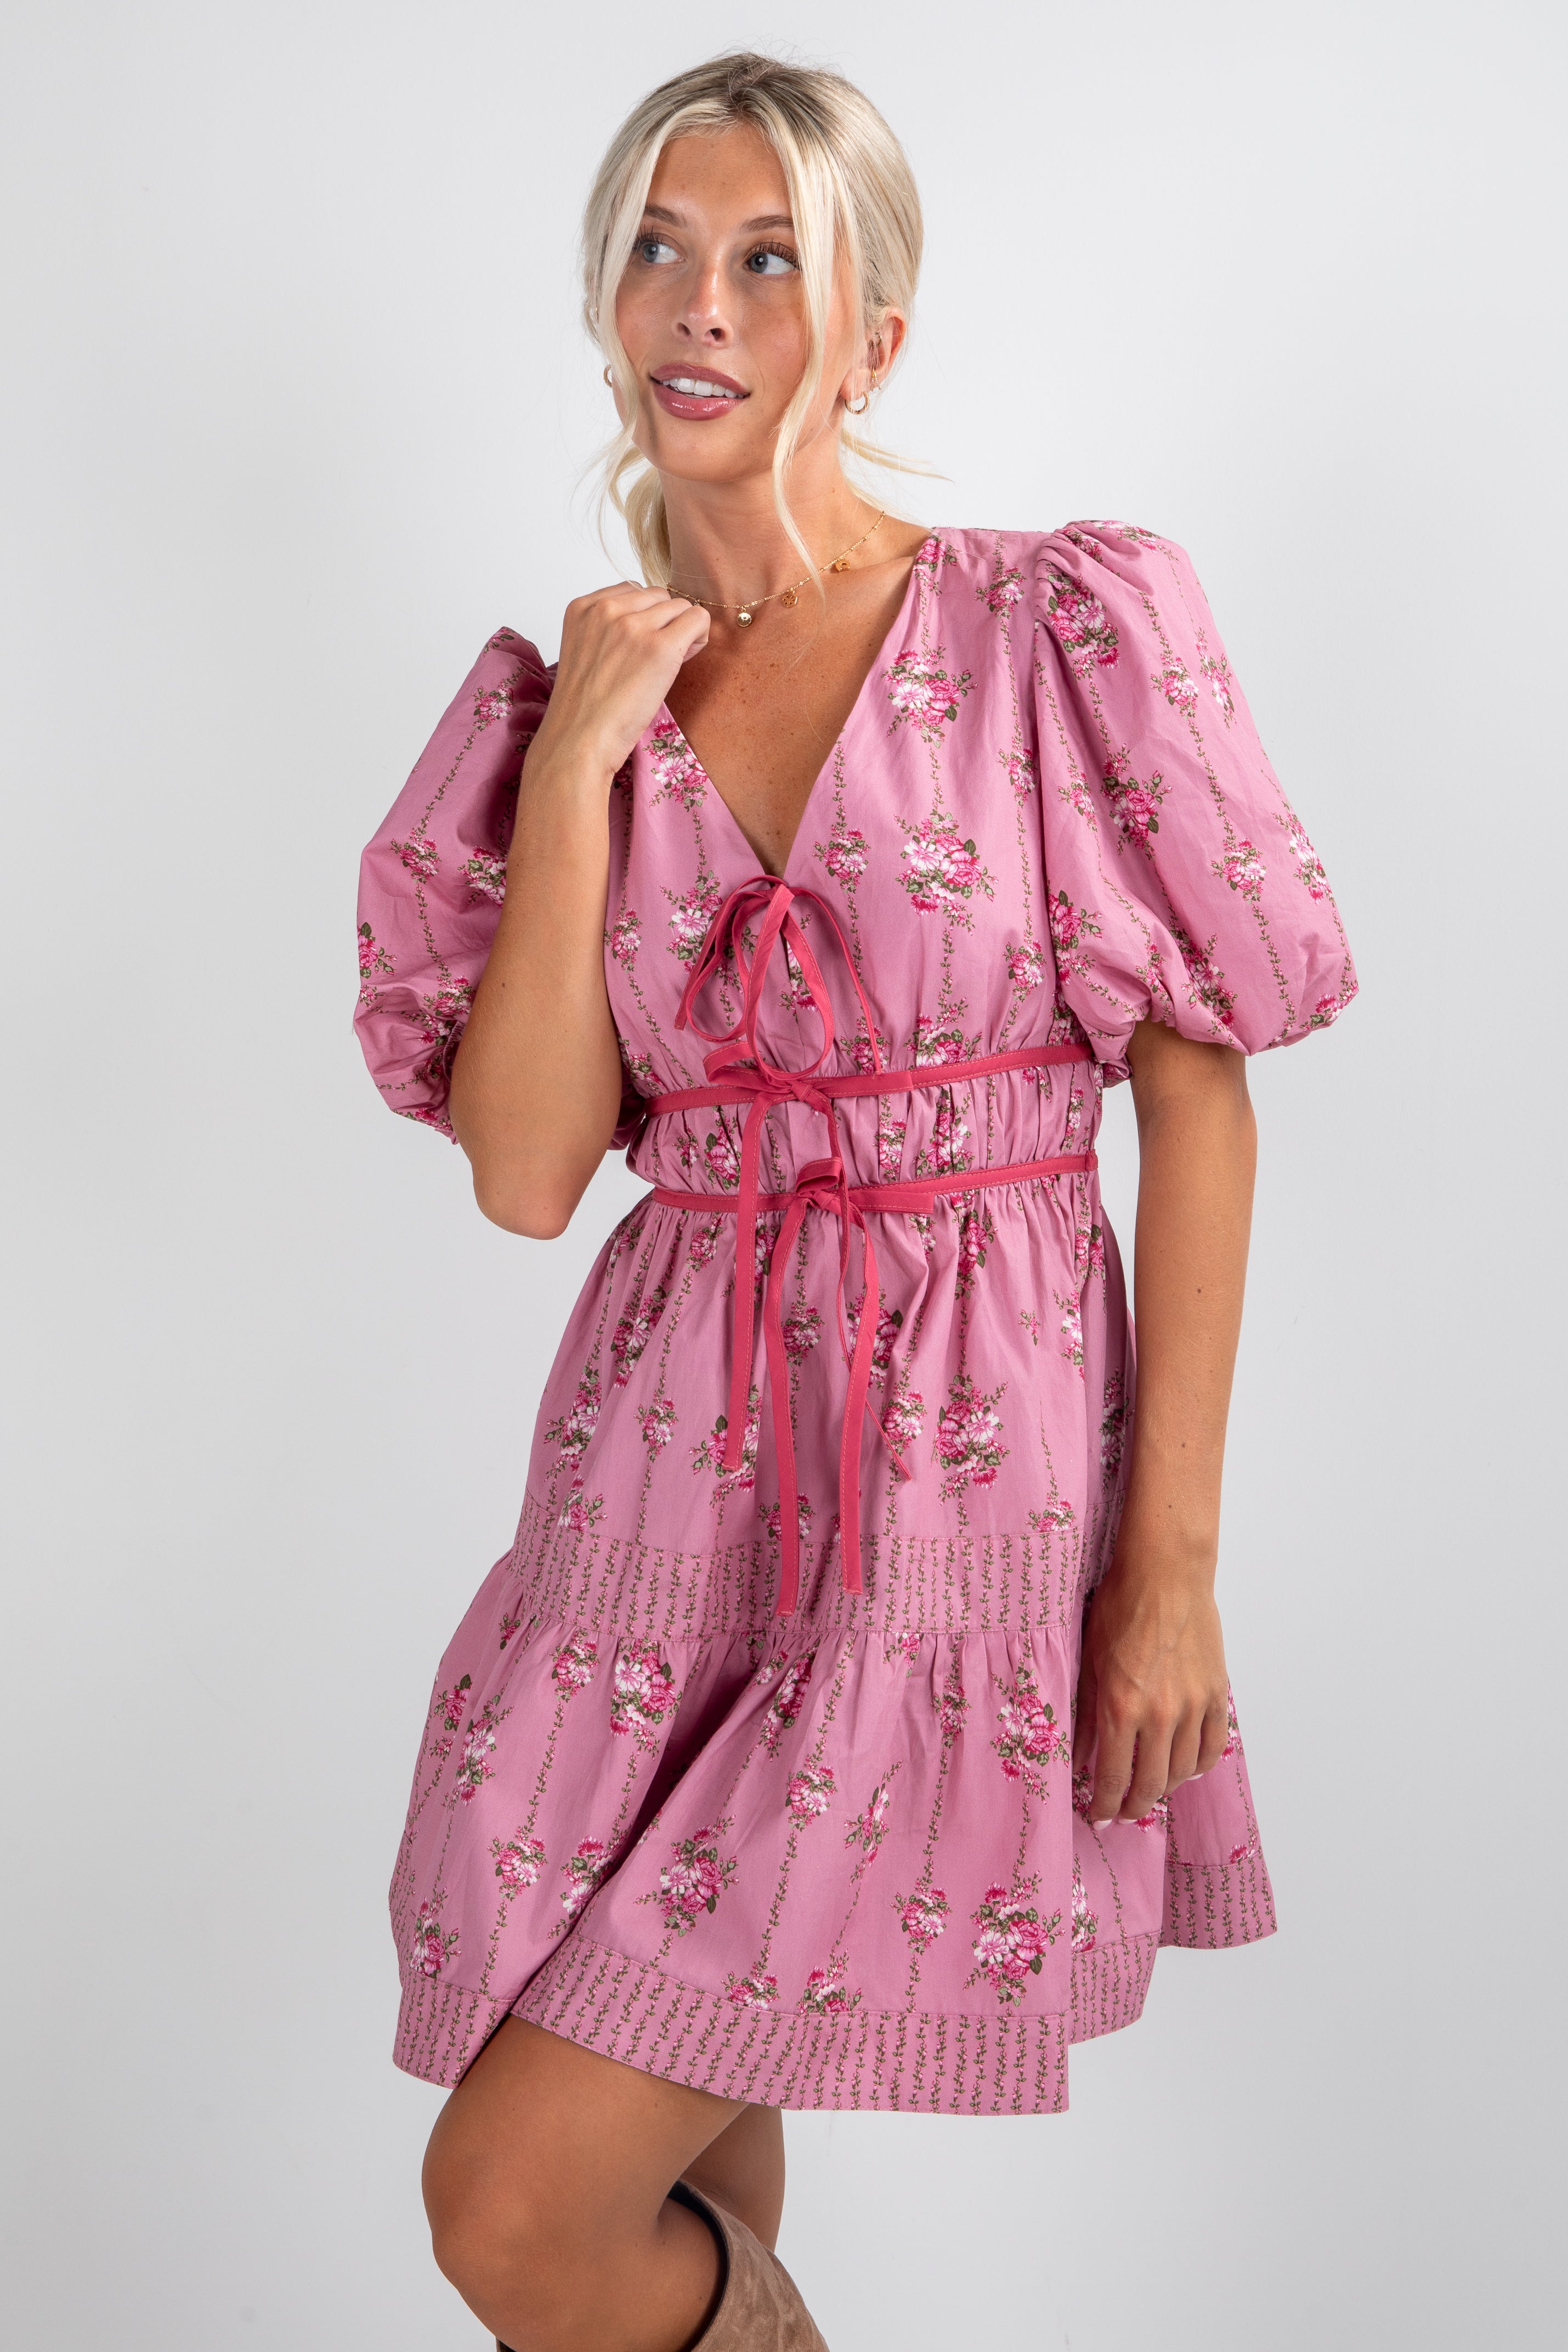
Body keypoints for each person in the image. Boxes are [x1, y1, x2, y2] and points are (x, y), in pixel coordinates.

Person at [353, 49, 1356, 2352]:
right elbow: (526, 1170)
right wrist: (593, 763)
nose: (701, 307)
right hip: (658, 1476)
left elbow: (1195, 1100)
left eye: (769, 259)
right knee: (661, 2160)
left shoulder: (1043, 635)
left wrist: (1170, 1570)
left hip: (948, 1475)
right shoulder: (560, 703)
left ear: (871, 336)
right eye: (659, 251)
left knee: (515, 2205)